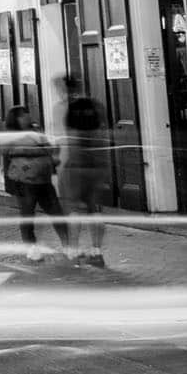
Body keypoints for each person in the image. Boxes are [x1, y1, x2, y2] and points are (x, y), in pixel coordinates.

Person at [0, 105, 69, 261]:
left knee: (56, 212)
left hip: (43, 180)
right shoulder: (10, 137)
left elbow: (49, 149)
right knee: (27, 214)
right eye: (24, 115)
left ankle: (67, 245)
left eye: (27, 114)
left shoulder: (36, 132)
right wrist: (8, 183)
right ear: (16, 119)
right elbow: (5, 157)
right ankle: (32, 249)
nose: (28, 117)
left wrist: (54, 156)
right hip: (24, 181)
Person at [61, 94, 108, 267]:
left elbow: (72, 151)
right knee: (94, 210)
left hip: (76, 170)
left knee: (74, 209)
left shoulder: (73, 131)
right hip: (97, 170)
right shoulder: (99, 131)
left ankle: (73, 250)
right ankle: (96, 251)